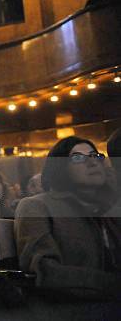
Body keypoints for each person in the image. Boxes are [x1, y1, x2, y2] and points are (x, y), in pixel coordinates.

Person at [15, 136, 121, 318]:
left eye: (95, 155)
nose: (92, 162)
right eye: (78, 158)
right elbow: (44, 271)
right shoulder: (36, 205)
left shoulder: (109, 208)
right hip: (70, 309)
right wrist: (112, 284)